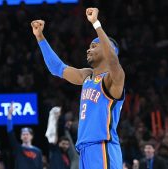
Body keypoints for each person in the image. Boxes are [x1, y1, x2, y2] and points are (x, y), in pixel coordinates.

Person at [31, 7, 125, 169]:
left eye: (94, 46)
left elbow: (113, 60)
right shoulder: (87, 76)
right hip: (84, 149)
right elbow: (57, 68)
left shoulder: (113, 80)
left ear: (108, 49)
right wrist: (40, 38)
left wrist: (96, 23)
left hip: (102, 146)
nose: (89, 49)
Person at [7, 103, 43, 169]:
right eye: (23, 134)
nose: (25, 136)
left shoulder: (38, 151)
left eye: (27, 134)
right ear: (21, 137)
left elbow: (40, 166)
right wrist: (9, 115)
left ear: (31, 136)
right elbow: (10, 133)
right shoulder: (18, 149)